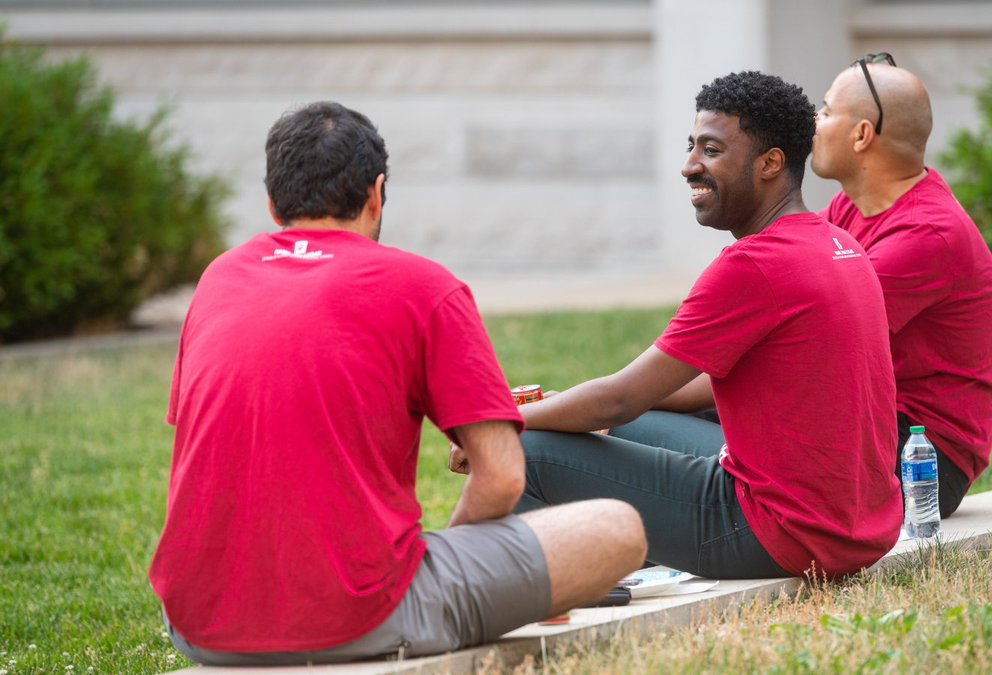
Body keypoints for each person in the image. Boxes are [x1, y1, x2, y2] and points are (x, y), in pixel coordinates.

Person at [148, 101, 646, 666]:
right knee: (616, 528)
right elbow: (503, 476)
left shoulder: (218, 279)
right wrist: (459, 558)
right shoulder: (423, 286)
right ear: (377, 193)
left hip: (196, 625)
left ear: (271, 201)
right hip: (359, 616)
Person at [502, 72, 901, 580]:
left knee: (521, 451)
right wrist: (567, 410)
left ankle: (545, 587)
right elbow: (638, 403)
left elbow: (619, 398)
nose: (690, 166)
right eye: (691, 146)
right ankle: (614, 551)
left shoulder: (754, 265)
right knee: (611, 425)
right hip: (858, 526)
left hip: (780, 533)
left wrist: (496, 422)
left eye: (711, 150)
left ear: (770, 164)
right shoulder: (837, 244)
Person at [811, 54, 992, 518]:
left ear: (861, 135)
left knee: (687, 433)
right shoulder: (851, 207)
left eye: (825, 110)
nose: (812, 122)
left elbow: (799, 345)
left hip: (922, 457)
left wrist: (632, 398)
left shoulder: (926, 236)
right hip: (869, 422)